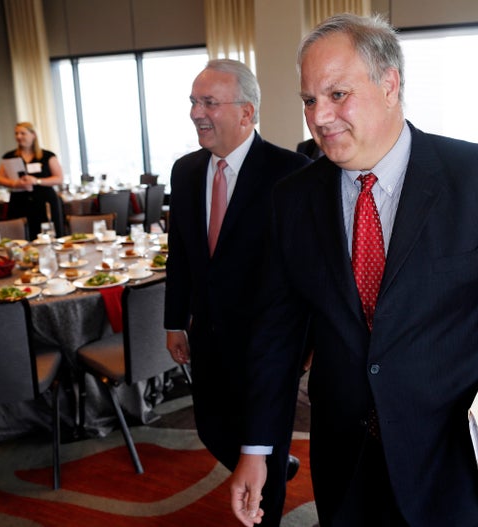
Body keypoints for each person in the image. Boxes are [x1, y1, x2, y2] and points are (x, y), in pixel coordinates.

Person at [230, 13, 478, 527]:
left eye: (337, 94)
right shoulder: (291, 199)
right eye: (309, 100)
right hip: (344, 448)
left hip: (452, 451)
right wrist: (255, 447)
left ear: (389, 84)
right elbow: (277, 334)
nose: (319, 117)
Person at [164, 59, 312, 527]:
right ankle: (274, 467)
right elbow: (180, 254)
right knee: (211, 429)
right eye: (193, 101)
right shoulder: (186, 171)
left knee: (263, 435)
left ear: (247, 113)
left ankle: (263, 511)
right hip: (206, 334)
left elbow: (306, 271)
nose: (195, 112)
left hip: (270, 343)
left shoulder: (292, 173)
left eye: (209, 102)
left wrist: (307, 343)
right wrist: (174, 319)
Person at [0, 122, 64, 239]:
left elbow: (59, 178)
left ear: (33, 135)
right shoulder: (9, 156)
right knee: (21, 236)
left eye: (23, 133)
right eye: (16, 133)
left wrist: (36, 181)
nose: (19, 136)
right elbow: (0, 178)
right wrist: (15, 183)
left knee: (49, 235)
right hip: (19, 202)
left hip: (44, 201)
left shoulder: (47, 156)